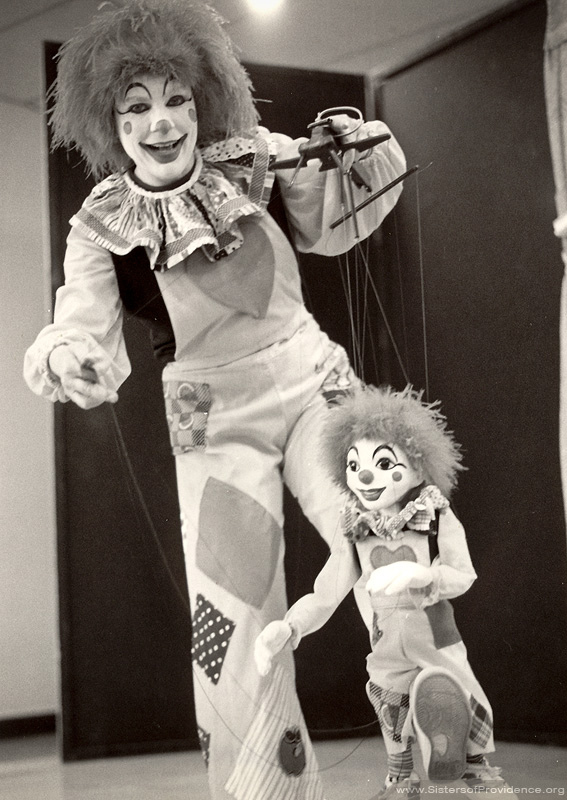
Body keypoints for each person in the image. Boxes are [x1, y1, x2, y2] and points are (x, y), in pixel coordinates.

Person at [23, 1, 407, 798]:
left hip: (310, 378)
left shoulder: (254, 159)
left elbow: (336, 222)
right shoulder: (99, 227)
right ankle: (265, 791)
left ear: (202, 102)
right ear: (111, 124)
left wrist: (344, 148)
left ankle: (436, 752)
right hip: (211, 417)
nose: (161, 123)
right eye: (136, 108)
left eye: (177, 100)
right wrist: (71, 359)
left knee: (395, 536)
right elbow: (81, 324)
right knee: (231, 617)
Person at [255, 385, 511, 798]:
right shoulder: (357, 530)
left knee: (456, 695)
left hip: (435, 639)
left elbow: (463, 575)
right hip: (387, 648)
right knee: (391, 710)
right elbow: (325, 594)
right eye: (354, 465)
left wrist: (421, 575)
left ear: (417, 464)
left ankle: (474, 770)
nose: (364, 476)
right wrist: (289, 627)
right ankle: (401, 781)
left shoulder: (434, 516)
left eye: (383, 463)